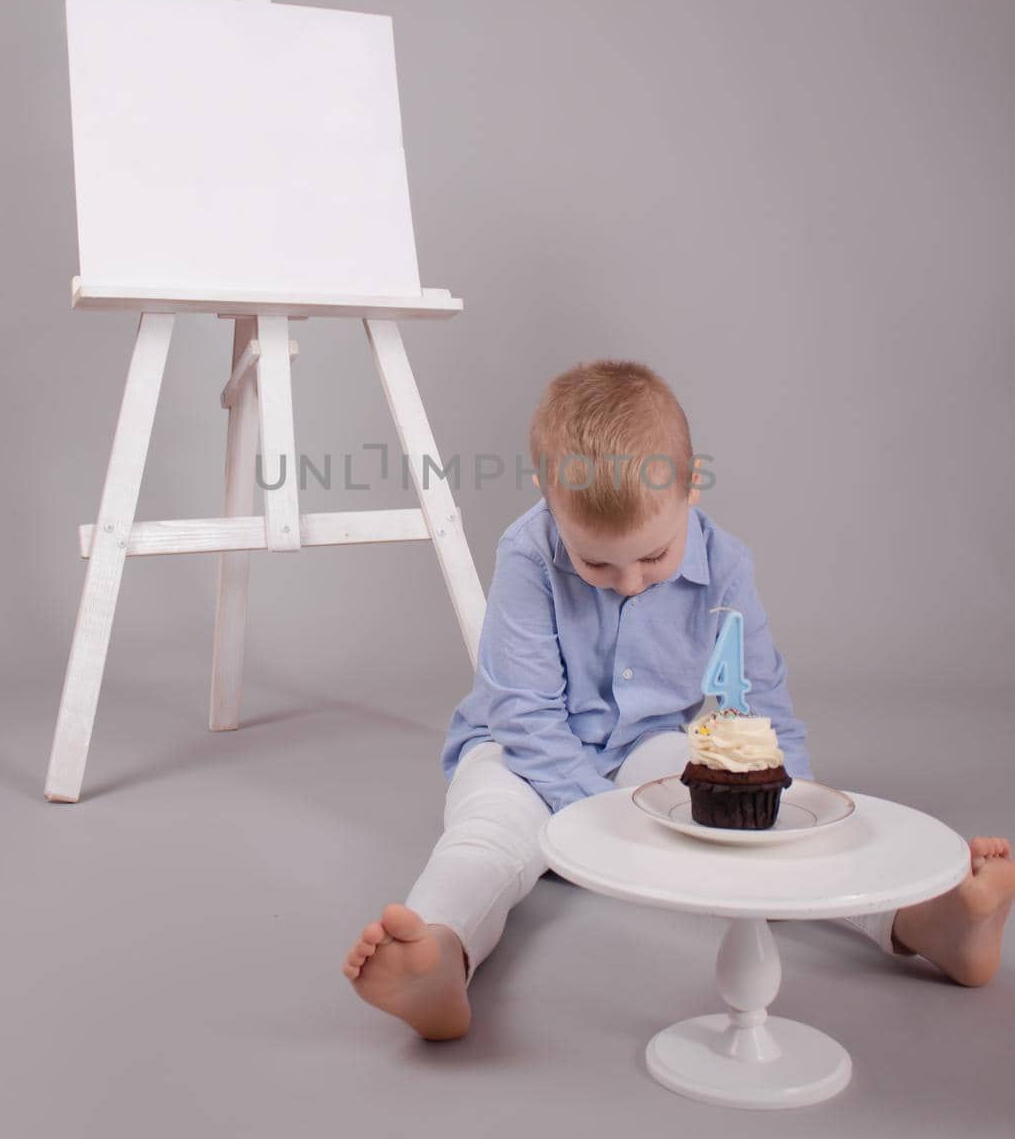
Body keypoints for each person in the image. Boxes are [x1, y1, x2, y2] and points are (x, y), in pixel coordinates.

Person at [342, 360, 1014, 1040]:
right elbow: (524, 713)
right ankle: (438, 955)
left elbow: (755, 700)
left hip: (646, 746)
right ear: (551, 504)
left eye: (653, 557)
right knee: (485, 837)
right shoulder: (525, 555)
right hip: (519, 751)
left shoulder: (726, 566)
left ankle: (922, 921)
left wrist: (790, 804)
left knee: (743, 827)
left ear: (690, 489)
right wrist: (596, 821)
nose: (629, 583)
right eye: (597, 565)